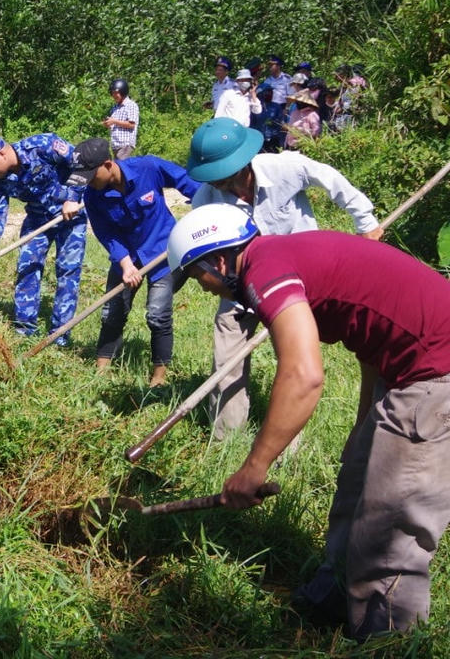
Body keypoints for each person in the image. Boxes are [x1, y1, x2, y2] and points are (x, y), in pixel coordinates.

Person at [167, 202, 450, 641]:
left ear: (219, 261)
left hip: (435, 372)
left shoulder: (266, 271)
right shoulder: (280, 257)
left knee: (390, 528)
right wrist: (364, 426)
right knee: (356, 486)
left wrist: (253, 468)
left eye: (196, 275)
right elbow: (371, 337)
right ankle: (333, 597)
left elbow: (303, 374)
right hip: (405, 368)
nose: (202, 288)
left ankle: (387, 641)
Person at [186, 117, 382, 438]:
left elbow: (330, 178)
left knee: (294, 364)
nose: (220, 185)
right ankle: (225, 436)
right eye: (214, 178)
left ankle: (287, 443)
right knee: (227, 350)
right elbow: (201, 241)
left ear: (243, 163)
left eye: (225, 177)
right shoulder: (207, 198)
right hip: (241, 283)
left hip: (296, 282)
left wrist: (366, 222)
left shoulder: (284, 168)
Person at [74, 137, 200, 386]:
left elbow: (187, 182)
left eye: (91, 176)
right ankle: (100, 371)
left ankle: (158, 378)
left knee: (157, 314)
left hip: (164, 251)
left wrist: (206, 206)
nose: (89, 183)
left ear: (108, 165)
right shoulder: (93, 196)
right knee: (112, 312)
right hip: (127, 257)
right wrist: (124, 263)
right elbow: (106, 232)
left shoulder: (148, 168)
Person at [0, 133, 88, 341]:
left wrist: (73, 197)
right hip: (37, 219)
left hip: (71, 216)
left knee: (67, 273)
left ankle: (59, 337)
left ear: (2, 153)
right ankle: (25, 333)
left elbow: (82, 163)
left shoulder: (42, 145)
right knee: (27, 269)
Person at [259, 55, 292, 151]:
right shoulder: (267, 80)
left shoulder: (287, 79)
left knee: (281, 132)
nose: (270, 67)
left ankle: (281, 149)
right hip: (269, 109)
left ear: (278, 66)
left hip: (282, 109)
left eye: (272, 65)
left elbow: (290, 96)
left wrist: (287, 109)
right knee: (269, 132)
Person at [103, 79, 139, 159]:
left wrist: (114, 121)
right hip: (116, 144)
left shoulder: (131, 105)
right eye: (112, 93)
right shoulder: (115, 107)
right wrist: (108, 123)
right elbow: (115, 124)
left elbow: (132, 125)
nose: (114, 95)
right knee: (118, 168)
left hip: (125, 144)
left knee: (121, 168)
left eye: (116, 93)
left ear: (123, 92)